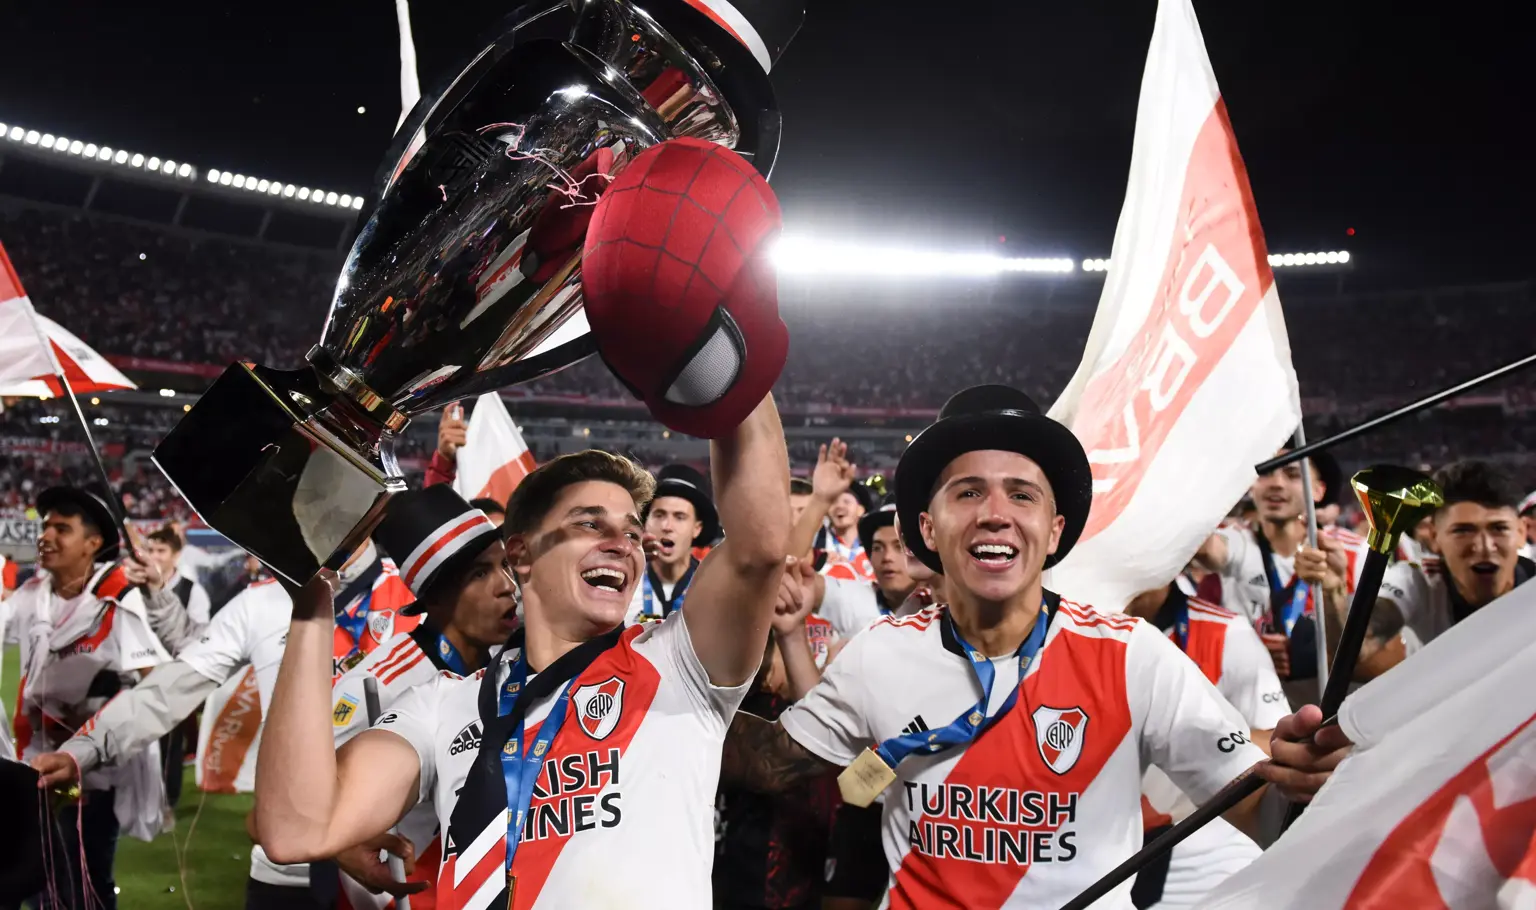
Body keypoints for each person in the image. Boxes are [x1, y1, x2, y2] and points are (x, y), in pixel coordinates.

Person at [719, 386, 1346, 910]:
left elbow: (1246, 780)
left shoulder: (1130, 654)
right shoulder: (880, 652)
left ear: (1054, 531)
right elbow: (771, 762)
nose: (996, 513)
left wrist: (1295, 762)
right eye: (968, 492)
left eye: (1022, 494)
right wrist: (647, 695)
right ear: (928, 529)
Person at [253, 394, 791, 910]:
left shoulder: (677, 662)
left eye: (631, 533)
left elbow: (759, 548)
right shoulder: (443, 704)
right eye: (589, 524)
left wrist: (723, 370)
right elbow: (298, 828)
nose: (622, 544)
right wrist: (310, 601)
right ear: (523, 554)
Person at [29, 539, 411, 910]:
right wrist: (84, 749)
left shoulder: (417, 593)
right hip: (285, 872)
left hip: (394, 865)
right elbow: (169, 688)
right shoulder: (260, 602)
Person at [329, 485, 518, 910]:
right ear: (434, 597)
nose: (507, 587)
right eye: (479, 574)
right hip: (392, 894)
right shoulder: (378, 681)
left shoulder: (507, 665)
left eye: (504, 566)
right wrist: (340, 843)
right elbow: (305, 790)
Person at [7, 485, 169, 910]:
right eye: (45, 526)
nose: (46, 536)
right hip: (34, 765)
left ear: (93, 544)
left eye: (62, 528)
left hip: (91, 776)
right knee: (36, 880)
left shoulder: (117, 598)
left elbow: (156, 680)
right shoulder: (30, 597)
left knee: (85, 882)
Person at [1123, 584, 1289, 909]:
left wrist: (1181, 734)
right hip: (1108, 856)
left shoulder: (1227, 632)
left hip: (1205, 862)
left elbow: (1275, 743)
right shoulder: (1068, 632)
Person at [713, 558, 839, 910]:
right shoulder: (726, 714)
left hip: (798, 876)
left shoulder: (798, 712)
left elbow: (819, 732)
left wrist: (790, 633)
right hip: (740, 878)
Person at [1353, 459, 1532, 681]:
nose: (1484, 547)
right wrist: (1332, 593)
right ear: (1435, 537)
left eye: (1499, 528)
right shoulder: (1417, 580)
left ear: (1522, 532)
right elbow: (1357, 649)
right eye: (1463, 531)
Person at [1194, 450, 1352, 697]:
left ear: (1318, 491)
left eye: (1292, 474)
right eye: (1264, 472)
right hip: (1251, 713)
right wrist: (1252, 653)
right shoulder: (1238, 542)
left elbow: (1381, 657)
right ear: (1250, 485)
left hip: (1328, 708)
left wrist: (1335, 592)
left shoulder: (1355, 553)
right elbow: (1205, 548)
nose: (1276, 483)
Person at [627, 464, 720, 623]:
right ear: (646, 522)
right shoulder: (625, 584)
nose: (667, 527)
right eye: (659, 515)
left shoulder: (716, 592)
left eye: (679, 517)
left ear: (696, 528)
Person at [792, 439, 875, 583]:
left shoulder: (875, 546)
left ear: (860, 510)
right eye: (834, 502)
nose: (839, 506)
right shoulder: (818, 542)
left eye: (846, 502)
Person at [143, 526, 212, 625]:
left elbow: (199, 633)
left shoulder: (192, 591)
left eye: (161, 551)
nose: (154, 556)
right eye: (150, 550)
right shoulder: (136, 587)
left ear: (176, 555)